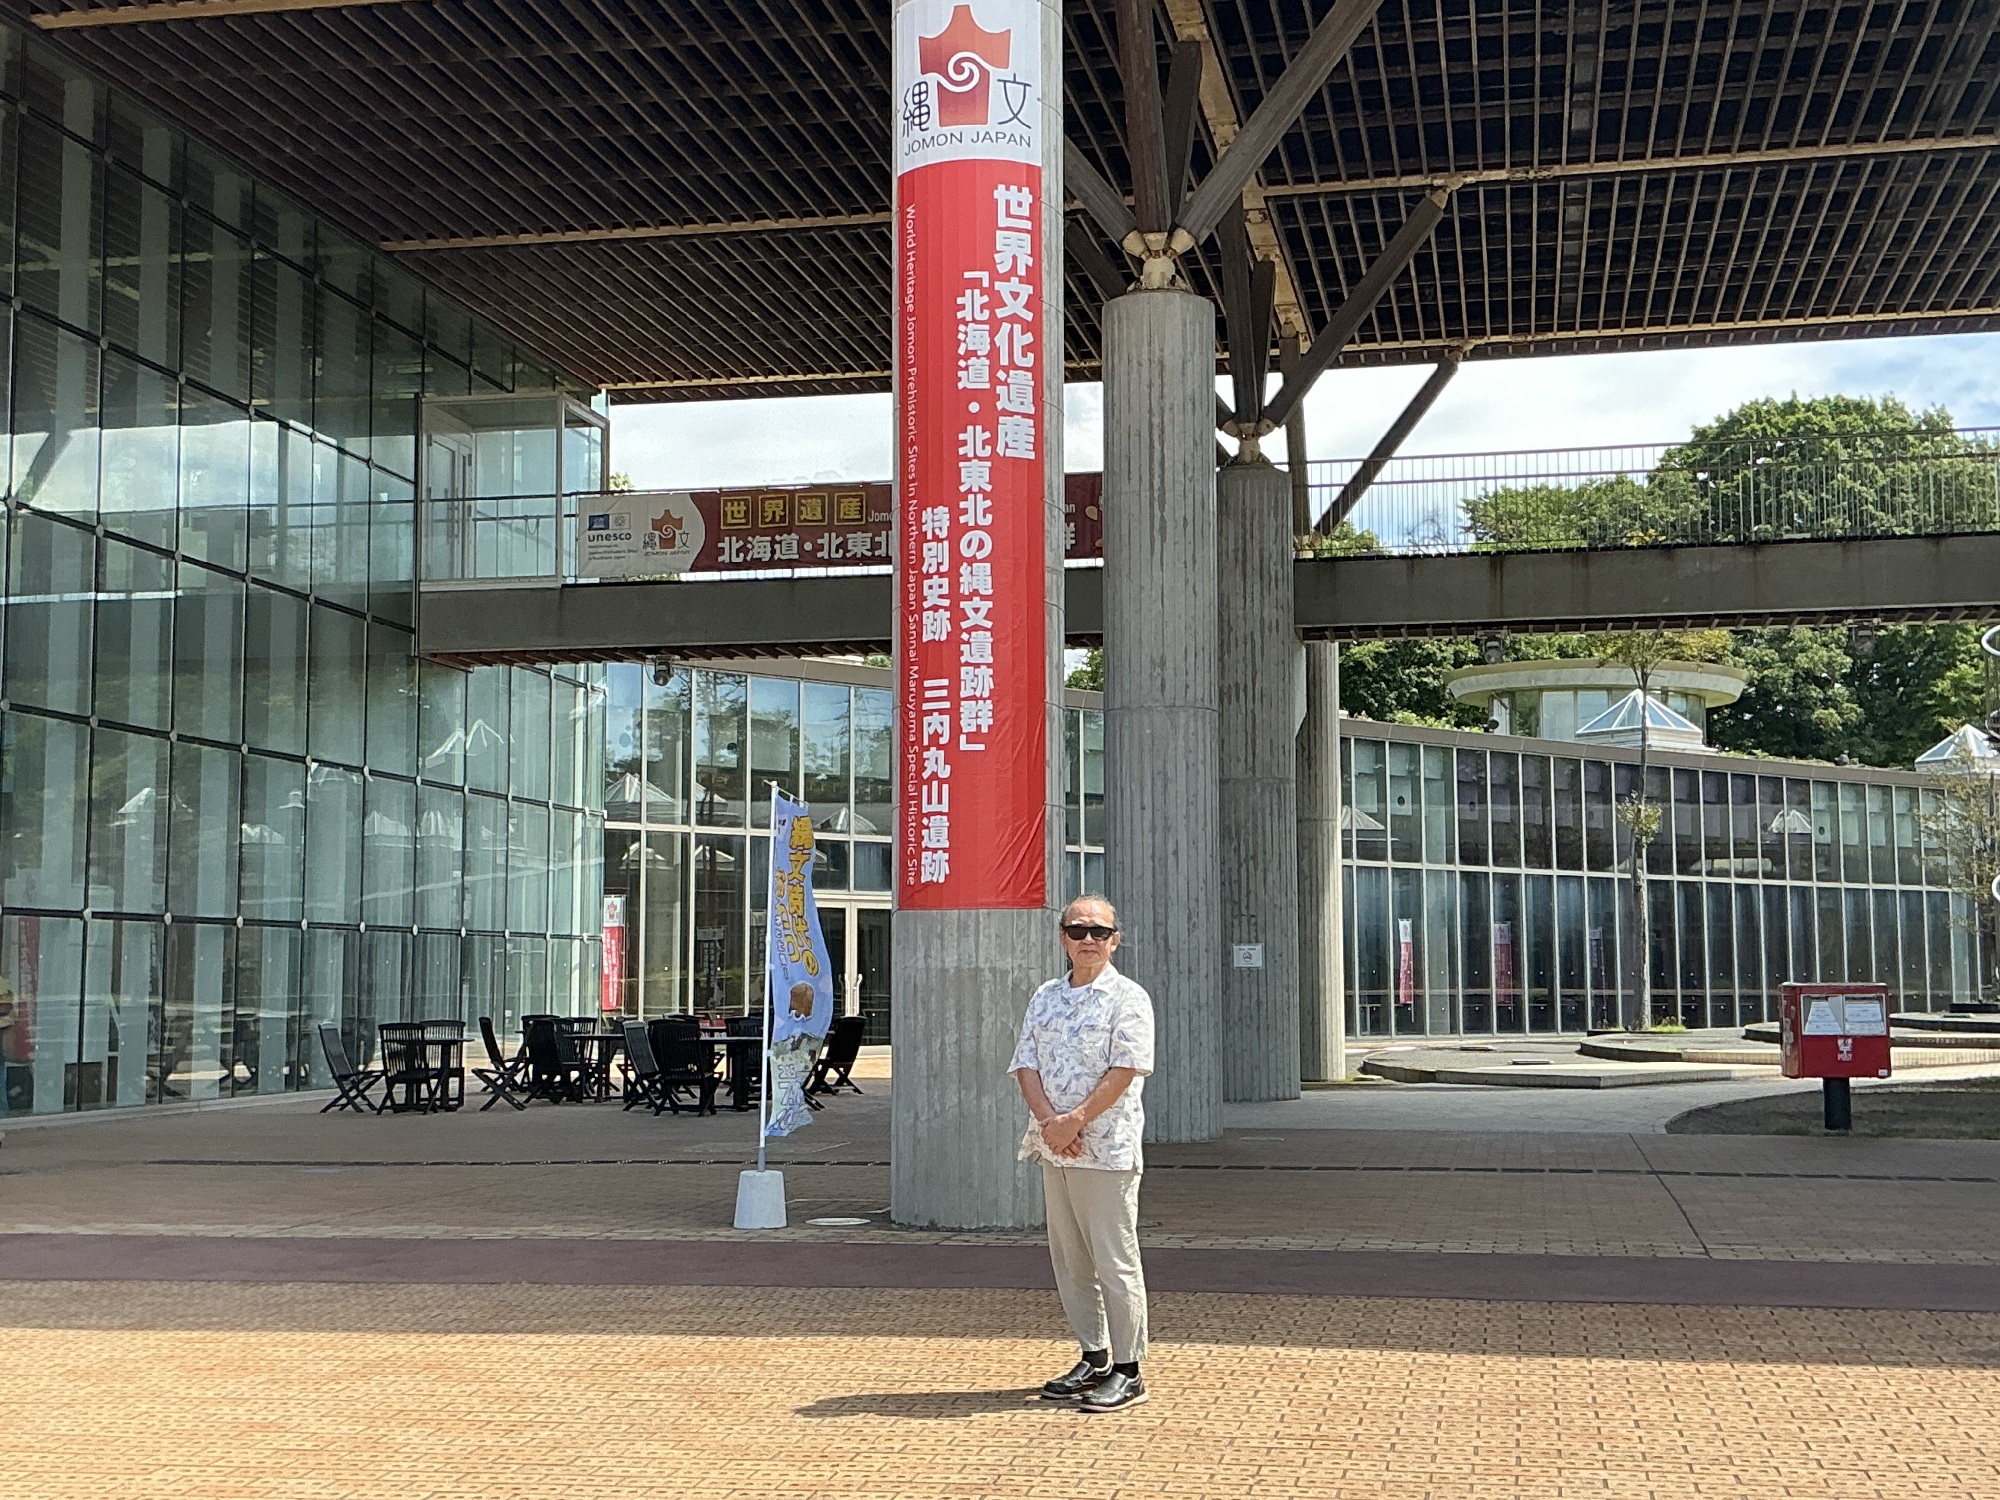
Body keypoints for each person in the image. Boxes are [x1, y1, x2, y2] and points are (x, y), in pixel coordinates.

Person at [1008, 893, 1155, 1412]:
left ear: (1116, 940)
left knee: (1115, 1260)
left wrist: (1075, 1121)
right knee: (1070, 1260)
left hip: (1105, 1150)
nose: (1088, 939)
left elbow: (1125, 1068)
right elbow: (1025, 1064)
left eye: (1099, 931)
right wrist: (1052, 1124)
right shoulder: (1045, 996)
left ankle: (1129, 1370)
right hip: (1056, 1149)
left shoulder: (1129, 998)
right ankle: (1093, 1356)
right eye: (1077, 930)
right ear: (1062, 938)